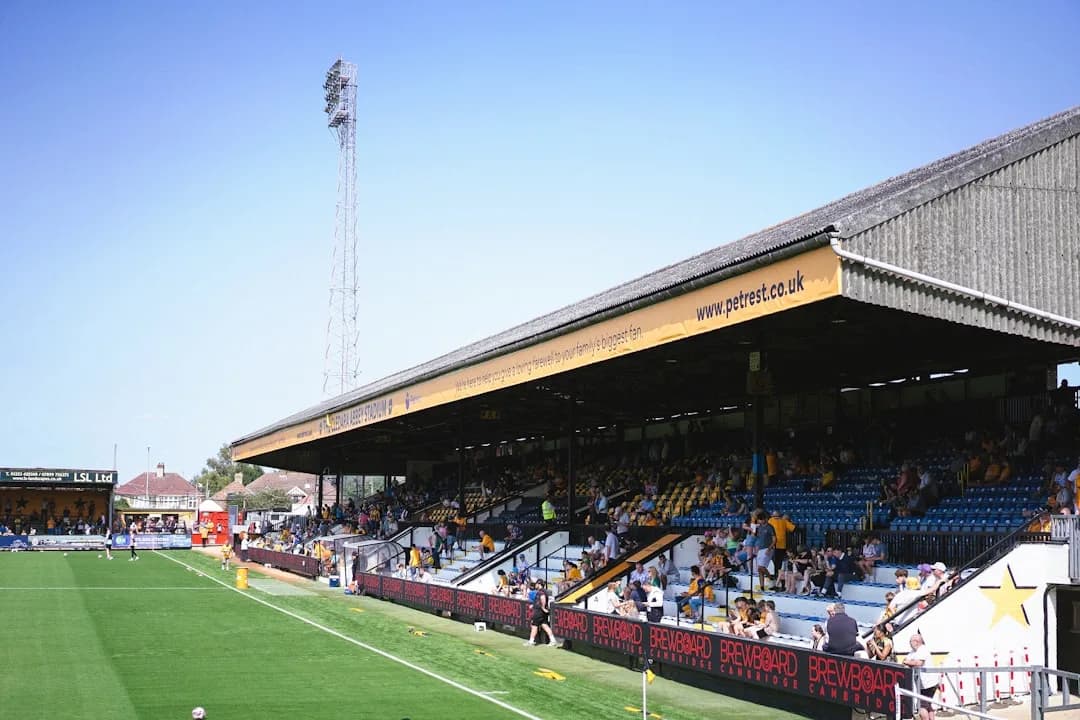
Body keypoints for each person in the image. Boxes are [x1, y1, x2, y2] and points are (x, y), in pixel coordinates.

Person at [903, 633, 940, 720]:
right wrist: (908, 662)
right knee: (928, 705)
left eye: (910, 641)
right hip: (924, 684)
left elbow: (919, 663)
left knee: (922, 707)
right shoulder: (914, 652)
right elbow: (905, 660)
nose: (909, 643)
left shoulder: (923, 650)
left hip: (928, 683)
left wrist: (908, 662)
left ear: (916, 642)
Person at [523, 580, 559, 647]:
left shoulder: (541, 592)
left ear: (539, 584)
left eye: (536, 584)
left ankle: (531, 641)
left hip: (539, 612)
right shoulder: (542, 591)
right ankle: (553, 640)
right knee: (544, 625)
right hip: (540, 611)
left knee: (534, 626)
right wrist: (534, 605)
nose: (535, 585)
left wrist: (543, 608)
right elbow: (539, 601)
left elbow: (542, 598)